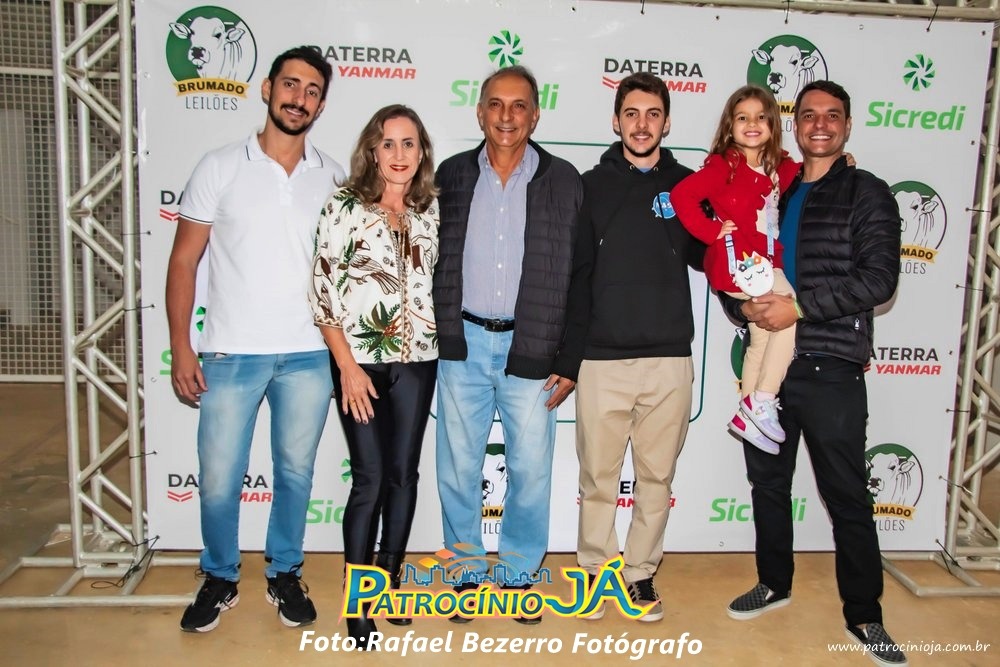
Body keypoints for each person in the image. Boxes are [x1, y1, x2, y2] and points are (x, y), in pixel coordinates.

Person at [721, 81, 907, 667]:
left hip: (831, 367)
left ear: (847, 126)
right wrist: (744, 309)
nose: (820, 125)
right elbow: (736, 264)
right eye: (808, 115)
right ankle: (773, 582)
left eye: (832, 116)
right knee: (767, 486)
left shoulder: (866, 191)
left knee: (846, 494)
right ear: (794, 125)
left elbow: (879, 279)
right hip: (767, 374)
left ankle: (865, 614)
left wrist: (798, 308)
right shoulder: (774, 187)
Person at [166, 46, 344, 633]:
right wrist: (182, 346)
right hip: (230, 352)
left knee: (295, 473)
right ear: (267, 89)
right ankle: (219, 576)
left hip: (308, 355)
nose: (299, 98)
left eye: (312, 90)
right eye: (290, 85)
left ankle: (285, 572)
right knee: (219, 477)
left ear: (321, 104)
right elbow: (184, 261)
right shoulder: (219, 166)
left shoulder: (333, 177)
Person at [552, 72, 704, 622]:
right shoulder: (589, 186)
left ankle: (640, 575)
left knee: (656, 478)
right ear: (616, 121)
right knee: (597, 477)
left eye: (653, 114)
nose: (642, 125)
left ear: (667, 122)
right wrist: (568, 357)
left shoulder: (690, 186)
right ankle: (596, 573)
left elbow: (716, 254)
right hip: (601, 359)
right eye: (632, 114)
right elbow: (575, 276)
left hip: (669, 359)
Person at [433, 65, 582, 622]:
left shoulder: (564, 180)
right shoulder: (450, 175)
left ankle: (519, 573)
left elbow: (581, 274)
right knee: (457, 468)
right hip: (464, 344)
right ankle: (465, 572)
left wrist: (569, 356)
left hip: (531, 347)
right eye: (496, 104)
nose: (506, 116)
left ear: (535, 115)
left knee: (531, 471)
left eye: (519, 105)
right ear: (480, 112)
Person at [310, 104, 439, 649]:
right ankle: (356, 600)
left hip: (418, 361)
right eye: (389, 143)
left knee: (403, 476)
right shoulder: (343, 205)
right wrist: (346, 367)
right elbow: (322, 293)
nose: (399, 154)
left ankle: (387, 582)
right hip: (358, 362)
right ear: (372, 150)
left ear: (421, 152)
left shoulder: (429, 210)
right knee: (369, 478)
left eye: (409, 143)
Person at [672, 85, 801, 455]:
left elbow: (808, 170)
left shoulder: (779, 166)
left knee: (762, 335)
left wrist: (843, 162)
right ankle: (763, 398)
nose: (752, 124)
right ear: (730, 126)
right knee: (789, 312)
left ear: (773, 124)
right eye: (742, 117)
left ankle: (748, 410)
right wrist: (712, 231)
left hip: (764, 263)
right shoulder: (724, 166)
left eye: (761, 117)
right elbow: (682, 196)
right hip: (741, 266)